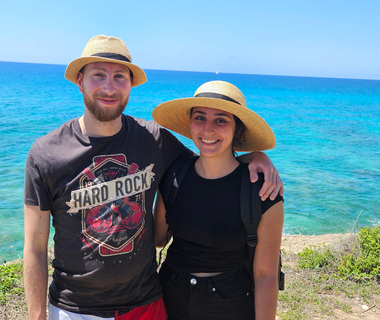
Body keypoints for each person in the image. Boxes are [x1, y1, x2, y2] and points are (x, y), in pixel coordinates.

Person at [23, 35, 283, 320]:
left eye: (120, 77)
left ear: (130, 85)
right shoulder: (46, 154)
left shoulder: (154, 140)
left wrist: (254, 156)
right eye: (99, 75)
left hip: (146, 302)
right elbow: (35, 248)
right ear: (80, 81)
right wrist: (37, 316)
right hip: (76, 308)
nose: (110, 88)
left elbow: (210, 157)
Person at [152, 80, 285, 320]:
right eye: (200, 118)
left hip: (232, 305)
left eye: (221, 120)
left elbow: (266, 275)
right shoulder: (173, 175)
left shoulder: (263, 190)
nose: (208, 129)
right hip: (171, 297)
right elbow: (159, 238)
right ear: (190, 123)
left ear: (238, 130)